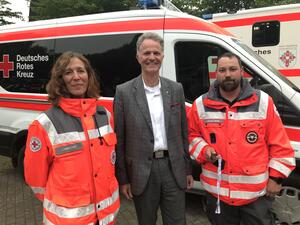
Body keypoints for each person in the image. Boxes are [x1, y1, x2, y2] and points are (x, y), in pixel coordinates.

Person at [188, 52, 295, 225]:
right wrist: (204, 150)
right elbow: (191, 136)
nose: (228, 74)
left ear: (242, 71)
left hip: (256, 196)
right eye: (222, 70)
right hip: (218, 195)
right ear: (216, 73)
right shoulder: (200, 105)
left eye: (233, 69)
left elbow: (280, 145)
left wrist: (276, 179)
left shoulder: (263, 103)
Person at [24, 51, 120, 225]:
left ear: (89, 76)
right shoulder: (44, 124)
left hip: (106, 217)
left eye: (81, 71)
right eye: (69, 72)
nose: (76, 77)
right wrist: (63, 199)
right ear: (60, 80)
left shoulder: (104, 115)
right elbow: (35, 178)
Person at [114, 32, 194, 225]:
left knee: (177, 221)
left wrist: (187, 168)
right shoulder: (123, 92)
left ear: (162, 56)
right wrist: (123, 178)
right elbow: (120, 139)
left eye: (156, 53)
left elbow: (184, 133)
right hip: (142, 172)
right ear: (138, 57)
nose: (152, 57)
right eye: (147, 53)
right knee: (146, 221)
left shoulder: (175, 89)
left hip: (173, 168)